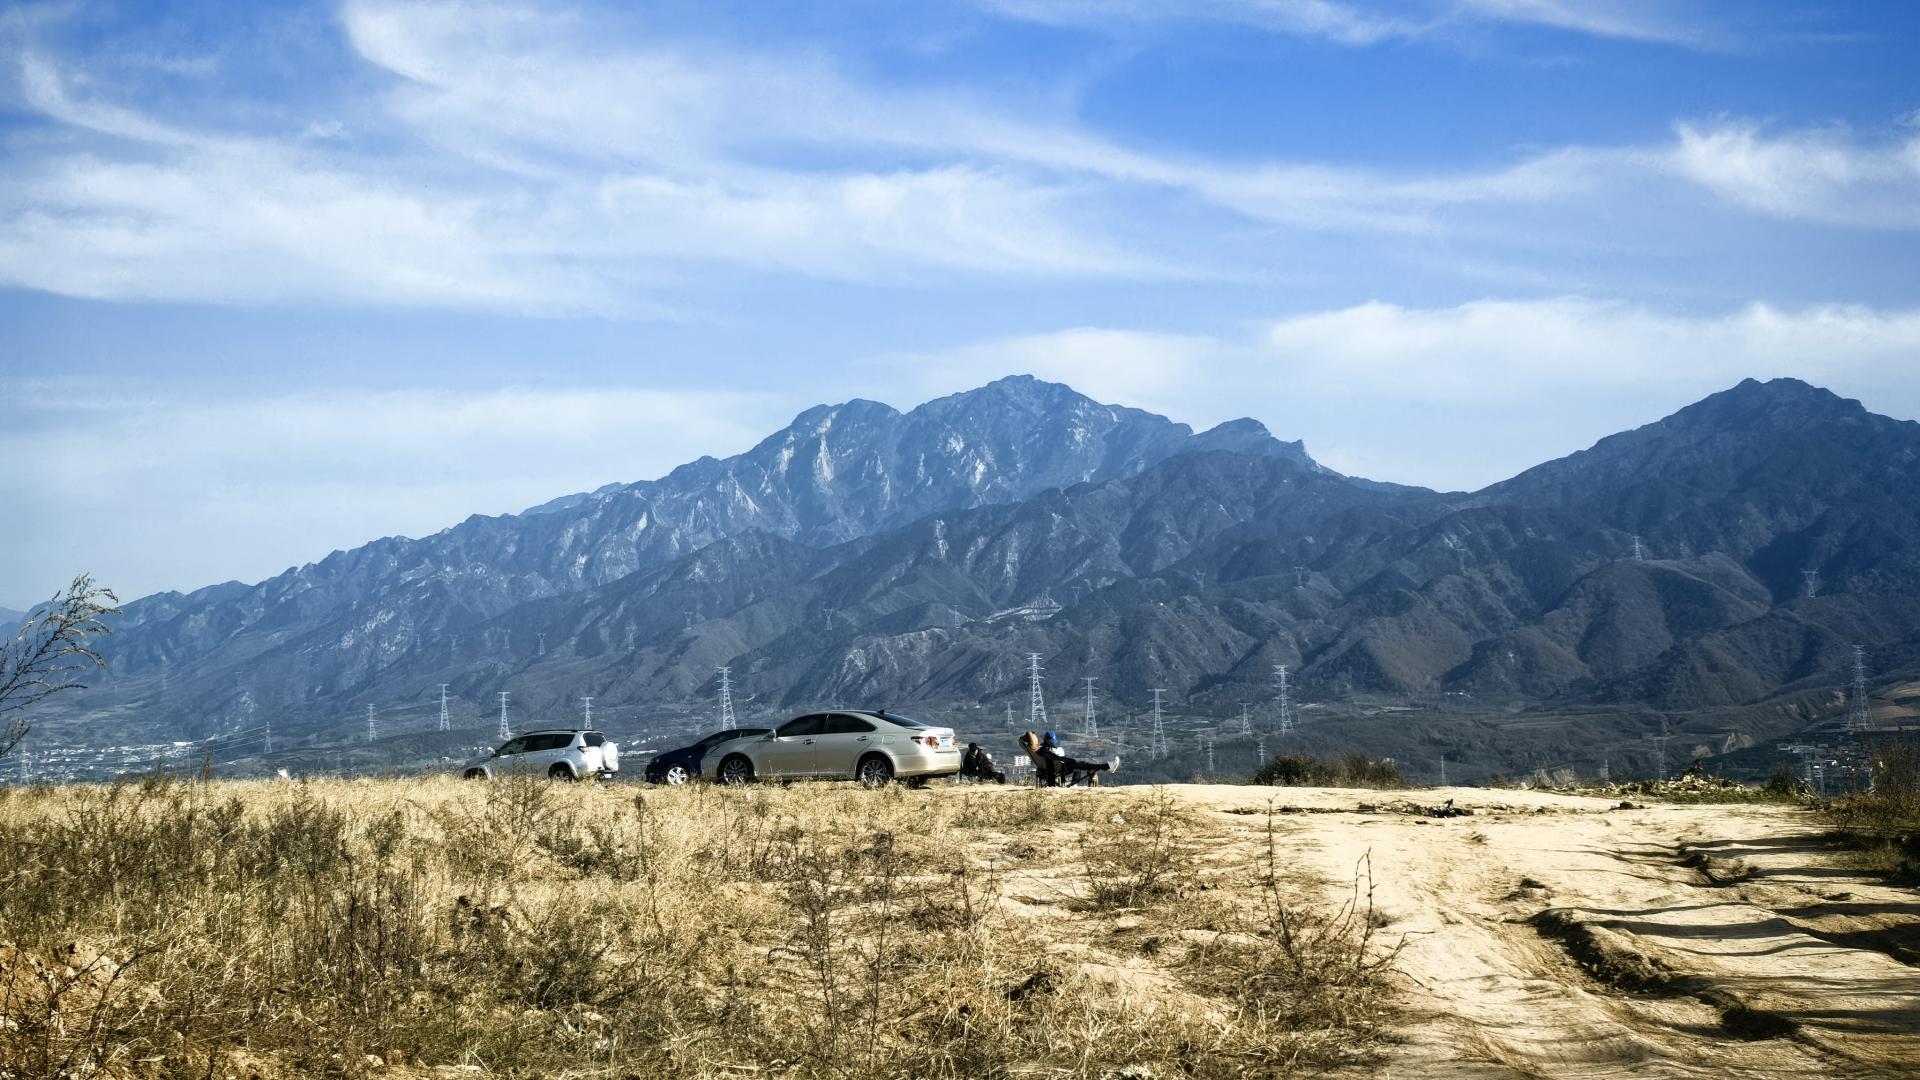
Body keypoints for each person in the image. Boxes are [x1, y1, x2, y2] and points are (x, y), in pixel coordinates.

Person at [1020, 730, 1119, 787]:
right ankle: (1107, 766)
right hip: (1060, 766)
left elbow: (1022, 739)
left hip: (1053, 766)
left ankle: (1107, 766)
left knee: (1082, 765)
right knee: (1082, 765)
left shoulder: (1036, 750)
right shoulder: (1043, 750)